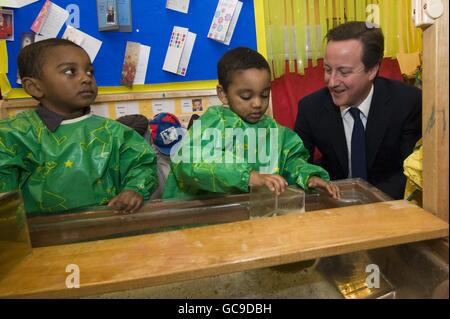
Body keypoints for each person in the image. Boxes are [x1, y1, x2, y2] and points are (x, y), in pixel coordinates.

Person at [0, 38, 158, 215]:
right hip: (40, 237)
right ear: (35, 87)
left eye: (90, 72)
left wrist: (134, 189)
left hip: (107, 231)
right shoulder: (13, 136)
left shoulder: (116, 133)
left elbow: (142, 165)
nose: (86, 78)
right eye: (70, 71)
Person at [163, 47, 339, 200]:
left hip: (253, 216)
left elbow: (291, 160)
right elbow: (189, 161)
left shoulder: (274, 131)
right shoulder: (214, 123)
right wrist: (247, 177)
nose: (257, 103)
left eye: (264, 95)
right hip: (206, 220)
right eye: (246, 96)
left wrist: (308, 176)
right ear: (223, 93)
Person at [295, 22, 421, 199]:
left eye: (344, 72)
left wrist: (368, 204)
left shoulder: (407, 102)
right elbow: (297, 166)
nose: (331, 82)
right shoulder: (310, 108)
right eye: (327, 69)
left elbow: (409, 172)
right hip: (334, 206)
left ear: (372, 70)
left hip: (390, 206)